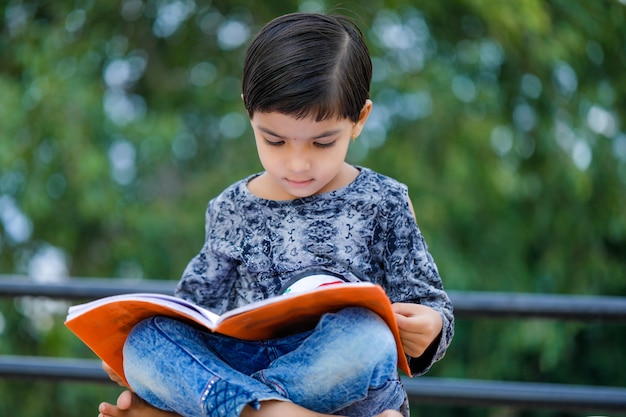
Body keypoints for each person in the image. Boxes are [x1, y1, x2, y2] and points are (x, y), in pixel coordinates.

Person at [98, 11, 454, 417]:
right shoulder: (231, 207)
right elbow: (193, 308)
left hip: (338, 378)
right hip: (247, 360)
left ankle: (230, 409)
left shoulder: (384, 200)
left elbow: (429, 302)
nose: (297, 164)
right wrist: (134, 352)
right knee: (146, 341)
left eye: (322, 143)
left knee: (370, 338)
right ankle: (266, 411)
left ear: (359, 120)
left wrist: (430, 326)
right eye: (275, 140)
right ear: (249, 113)